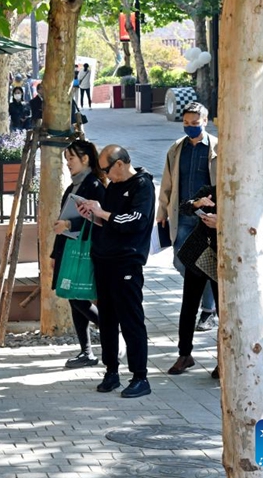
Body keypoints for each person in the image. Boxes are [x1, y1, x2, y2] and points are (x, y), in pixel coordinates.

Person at [76, 145, 155, 398]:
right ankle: (111, 371)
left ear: (120, 164)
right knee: (107, 320)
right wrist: (92, 214)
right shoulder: (113, 186)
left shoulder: (142, 185)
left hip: (126, 262)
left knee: (131, 319)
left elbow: (135, 221)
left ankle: (140, 376)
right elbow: (109, 221)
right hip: (104, 260)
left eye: (107, 169)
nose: (105, 175)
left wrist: (103, 212)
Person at [157, 102, 219, 335]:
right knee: (181, 261)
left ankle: (208, 311)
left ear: (205, 121)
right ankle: (204, 298)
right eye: (186, 123)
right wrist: (162, 212)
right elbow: (167, 183)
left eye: (194, 123)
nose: (190, 127)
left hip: (208, 218)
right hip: (183, 214)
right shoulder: (176, 149)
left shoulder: (217, 148)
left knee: (208, 263)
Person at [51, 141, 106, 368]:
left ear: (85, 159)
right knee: (73, 297)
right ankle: (86, 351)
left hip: (85, 251)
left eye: (71, 158)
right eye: (66, 159)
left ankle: (110, 328)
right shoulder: (73, 186)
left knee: (77, 297)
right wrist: (54, 254)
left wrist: (68, 225)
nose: (68, 163)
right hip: (68, 250)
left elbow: (98, 220)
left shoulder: (94, 186)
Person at [171, 184, 220, 379]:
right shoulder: (210, 190)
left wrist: (221, 223)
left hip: (222, 257)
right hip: (198, 254)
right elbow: (185, 207)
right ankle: (184, 354)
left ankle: (223, 360)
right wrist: (197, 203)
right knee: (188, 307)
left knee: (224, 313)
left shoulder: (241, 195)